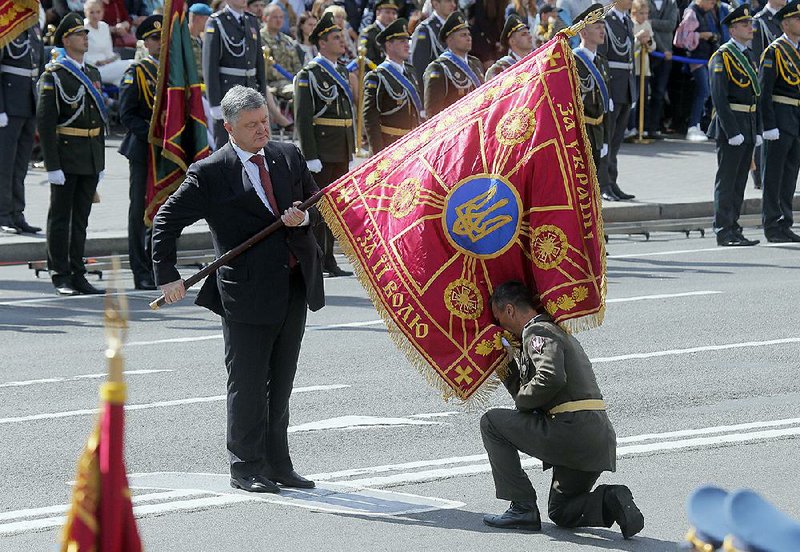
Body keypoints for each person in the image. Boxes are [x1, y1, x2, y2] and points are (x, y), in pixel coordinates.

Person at [152, 85, 324, 494]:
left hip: (294, 285)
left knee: (282, 379)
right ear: (229, 127)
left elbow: (317, 202)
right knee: (248, 382)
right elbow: (165, 220)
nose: (263, 130)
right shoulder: (211, 172)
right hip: (246, 292)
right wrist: (166, 274)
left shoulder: (286, 154)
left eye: (265, 120)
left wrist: (303, 220)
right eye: (251, 125)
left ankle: (278, 463)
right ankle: (246, 465)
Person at [480, 281, 644, 538]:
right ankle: (611, 499)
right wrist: (508, 369)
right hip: (594, 439)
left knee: (491, 422)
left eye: (499, 319)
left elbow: (550, 378)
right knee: (562, 511)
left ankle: (521, 507)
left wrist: (522, 400)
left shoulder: (537, 332)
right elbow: (536, 390)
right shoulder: (556, 330)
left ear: (510, 310)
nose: (501, 327)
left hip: (570, 431)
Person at [37, 13, 106, 296]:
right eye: (79, 34)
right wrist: (51, 165)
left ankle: (78, 272)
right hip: (65, 157)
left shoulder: (92, 74)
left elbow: (100, 121)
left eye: (86, 34)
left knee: (81, 220)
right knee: (60, 218)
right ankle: (60, 274)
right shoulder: (54, 74)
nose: (85, 38)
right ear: (66, 40)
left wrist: (100, 161)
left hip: (89, 155)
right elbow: (45, 122)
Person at [294, 12, 355, 277]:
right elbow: (303, 117)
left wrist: (350, 148)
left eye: (342, 36)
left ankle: (329, 259)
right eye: (335, 38)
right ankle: (316, 258)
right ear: (321, 43)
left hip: (340, 148)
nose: (342, 42)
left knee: (334, 211)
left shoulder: (341, 70)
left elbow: (346, 113)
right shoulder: (309, 74)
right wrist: (309, 154)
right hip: (321, 150)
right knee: (318, 211)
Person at [708, 5, 761, 247]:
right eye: (744, 24)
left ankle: (734, 226)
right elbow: (719, 97)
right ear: (732, 30)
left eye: (750, 23)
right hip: (732, 128)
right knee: (727, 181)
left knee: (740, 181)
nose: (750, 28)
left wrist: (757, 129)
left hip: (747, 125)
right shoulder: (723, 56)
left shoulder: (748, 55)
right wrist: (732, 131)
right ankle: (723, 229)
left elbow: (755, 96)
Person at [118, 15, 162, 290]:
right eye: (155, 39)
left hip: (167, 151)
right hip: (144, 149)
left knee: (164, 209)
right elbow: (127, 115)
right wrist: (153, 135)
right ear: (145, 42)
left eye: (163, 38)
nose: (160, 43)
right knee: (139, 210)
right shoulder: (136, 72)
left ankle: (158, 264)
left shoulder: (173, 73)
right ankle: (140, 269)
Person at [759, 0, 800, 242]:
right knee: (773, 175)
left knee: (790, 175)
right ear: (785, 24)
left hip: (796, 119)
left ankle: (785, 222)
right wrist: (768, 125)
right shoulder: (774, 51)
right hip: (779, 118)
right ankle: (772, 225)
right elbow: (764, 92)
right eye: (796, 19)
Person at [203, 0, 267, 150]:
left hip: (250, 90)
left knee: (253, 141)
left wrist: (262, 94)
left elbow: (259, 63)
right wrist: (214, 103)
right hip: (228, 92)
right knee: (226, 144)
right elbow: (210, 66)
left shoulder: (251, 20)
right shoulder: (217, 22)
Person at [0, 20, 44, 235]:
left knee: (20, 166)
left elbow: (39, 66)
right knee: (4, 166)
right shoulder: (5, 25)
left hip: (29, 103)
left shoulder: (32, 25)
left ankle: (18, 213)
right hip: (9, 104)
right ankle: (3, 215)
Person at [363, 18, 422, 152]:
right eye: (402, 41)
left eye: (407, 41)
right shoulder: (377, 76)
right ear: (389, 45)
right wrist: (378, 152)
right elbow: (370, 118)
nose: (407, 45)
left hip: (411, 145)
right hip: (390, 146)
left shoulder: (410, 71)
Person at [599, 0, 636, 201]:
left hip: (626, 87)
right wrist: (607, 92)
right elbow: (602, 58)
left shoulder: (626, 21)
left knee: (616, 141)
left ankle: (612, 182)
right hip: (613, 86)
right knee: (607, 139)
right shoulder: (606, 20)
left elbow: (629, 57)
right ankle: (603, 184)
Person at [573, 4, 611, 190]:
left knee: (593, 183)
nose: (602, 30)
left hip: (597, 131)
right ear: (584, 33)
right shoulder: (573, 61)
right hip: (581, 130)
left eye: (603, 26)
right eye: (597, 27)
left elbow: (605, 105)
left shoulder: (602, 62)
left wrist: (605, 139)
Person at [423, 11, 485, 117]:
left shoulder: (475, 63)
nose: (468, 38)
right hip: (454, 127)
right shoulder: (439, 68)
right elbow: (433, 110)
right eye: (463, 35)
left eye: (469, 34)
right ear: (450, 40)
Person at [752, 0, 786, 190]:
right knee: (763, 129)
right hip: (767, 83)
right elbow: (757, 56)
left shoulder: (787, 19)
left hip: (786, 86)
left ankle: (775, 175)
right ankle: (759, 175)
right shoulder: (759, 21)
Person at [645, 0, 678, 139]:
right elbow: (645, 26)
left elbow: (671, 25)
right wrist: (662, 48)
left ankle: (654, 127)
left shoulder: (671, 3)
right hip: (648, 52)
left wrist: (652, 22)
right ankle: (642, 127)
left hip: (666, 55)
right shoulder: (645, 2)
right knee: (644, 92)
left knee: (659, 93)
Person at [410, 0, 456, 95]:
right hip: (436, 93)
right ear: (435, 3)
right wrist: (425, 100)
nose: (453, 5)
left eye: (454, 1)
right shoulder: (425, 30)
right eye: (448, 1)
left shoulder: (457, 28)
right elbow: (419, 68)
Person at [84, 0, 133, 85]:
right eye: (91, 12)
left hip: (109, 65)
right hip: (93, 70)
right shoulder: (82, 28)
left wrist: (111, 60)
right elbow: (81, 56)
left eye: (98, 12)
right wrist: (98, 62)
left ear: (103, 12)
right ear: (85, 12)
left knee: (132, 69)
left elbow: (109, 52)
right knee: (132, 65)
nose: (95, 15)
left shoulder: (104, 26)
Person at [261, 3, 303, 101]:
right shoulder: (259, 39)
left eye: (281, 17)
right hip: (274, 83)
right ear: (264, 18)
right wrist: (289, 78)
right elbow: (266, 68)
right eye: (275, 17)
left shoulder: (287, 40)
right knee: (300, 93)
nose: (279, 20)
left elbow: (297, 64)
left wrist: (300, 79)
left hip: (292, 81)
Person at [485, 14, 533, 80]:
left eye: (529, 33)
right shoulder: (500, 69)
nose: (530, 37)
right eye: (524, 34)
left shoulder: (534, 61)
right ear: (512, 41)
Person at [359, 0, 399, 68]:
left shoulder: (396, 34)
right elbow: (366, 60)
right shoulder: (368, 33)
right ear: (378, 13)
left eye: (394, 13)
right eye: (387, 12)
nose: (391, 16)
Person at [188, 2, 212, 84]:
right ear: (198, 18)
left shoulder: (202, 39)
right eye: (207, 19)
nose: (209, 23)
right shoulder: (184, 39)